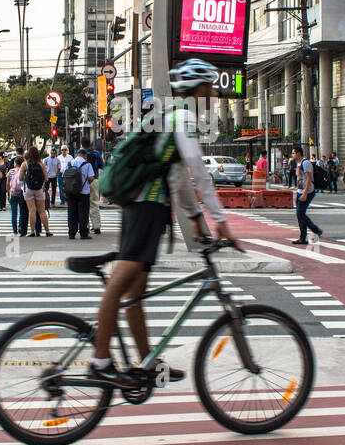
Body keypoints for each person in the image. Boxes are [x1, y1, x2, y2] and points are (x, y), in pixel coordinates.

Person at [89, 59, 239, 388]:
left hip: (145, 206)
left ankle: (146, 363)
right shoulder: (183, 117)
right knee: (122, 282)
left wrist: (196, 218)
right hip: (146, 207)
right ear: (199, 89)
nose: (214, 93)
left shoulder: (171, 116)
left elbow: (178, 175)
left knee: (135, 291)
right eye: (211, 87)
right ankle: (100, 360)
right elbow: (198, 171)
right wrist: (220, 220)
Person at [289, 144, 324, 245]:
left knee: (300, 213)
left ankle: (310, 233)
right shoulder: (298, 164)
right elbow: (300, 180)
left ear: (299, 153)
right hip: (301, 191)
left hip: (308, 191)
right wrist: (297, 192)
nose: (292, 155)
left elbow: (309, 179)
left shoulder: (306, 163)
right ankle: (308, 234)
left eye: (293, 153)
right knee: (300, 214)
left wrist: (304, 193)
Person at [64, 146, 95, 239]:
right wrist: (86, 183)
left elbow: (65, 176)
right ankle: (83, 233)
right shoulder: (87, 164)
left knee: (71, 212)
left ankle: (71, 233)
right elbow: (91, 178)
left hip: (71, 192)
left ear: (77, 154)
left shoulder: (70, 163)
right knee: (83, 213)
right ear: (84, 155)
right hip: (83, 192)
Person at [23, 146, 51, 236]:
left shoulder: (25, 164)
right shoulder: (41, 164)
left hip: (28, 189)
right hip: (39, 189)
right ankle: (47, 230)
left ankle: (32, 231)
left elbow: (20, 177)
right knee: (42, 211)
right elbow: (46, 179)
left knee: (32, 210)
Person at [82, 141, 103, 235]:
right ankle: (97, 226)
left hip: (84, 182)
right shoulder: (96, 153)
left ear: (82, 144)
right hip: (94, 179)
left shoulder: (81, 154)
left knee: (84, 204)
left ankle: (86, 226)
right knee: (95, 203)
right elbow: (102, 165)